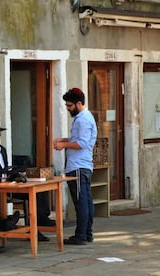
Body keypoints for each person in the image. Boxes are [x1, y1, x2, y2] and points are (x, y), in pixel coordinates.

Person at [0, 119, 55, 242]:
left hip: (9, 187)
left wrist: (15, 175)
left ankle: (37, 224)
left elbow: (5, 169)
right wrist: (0, 176)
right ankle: (3, 225)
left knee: (36, 188)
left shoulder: (3, 150)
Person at [53, 88, 97, 245]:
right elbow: (78, 139)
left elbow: (82, 143)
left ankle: (81, 235)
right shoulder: (84, 117)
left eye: (70, 105)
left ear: (79, 103)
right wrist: (64, 139)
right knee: (86, 200)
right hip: (83, 165)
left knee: (81, 202)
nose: (68, 108)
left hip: (78, 166)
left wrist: (63, 145)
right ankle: (87, 233)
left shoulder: (82, 119)